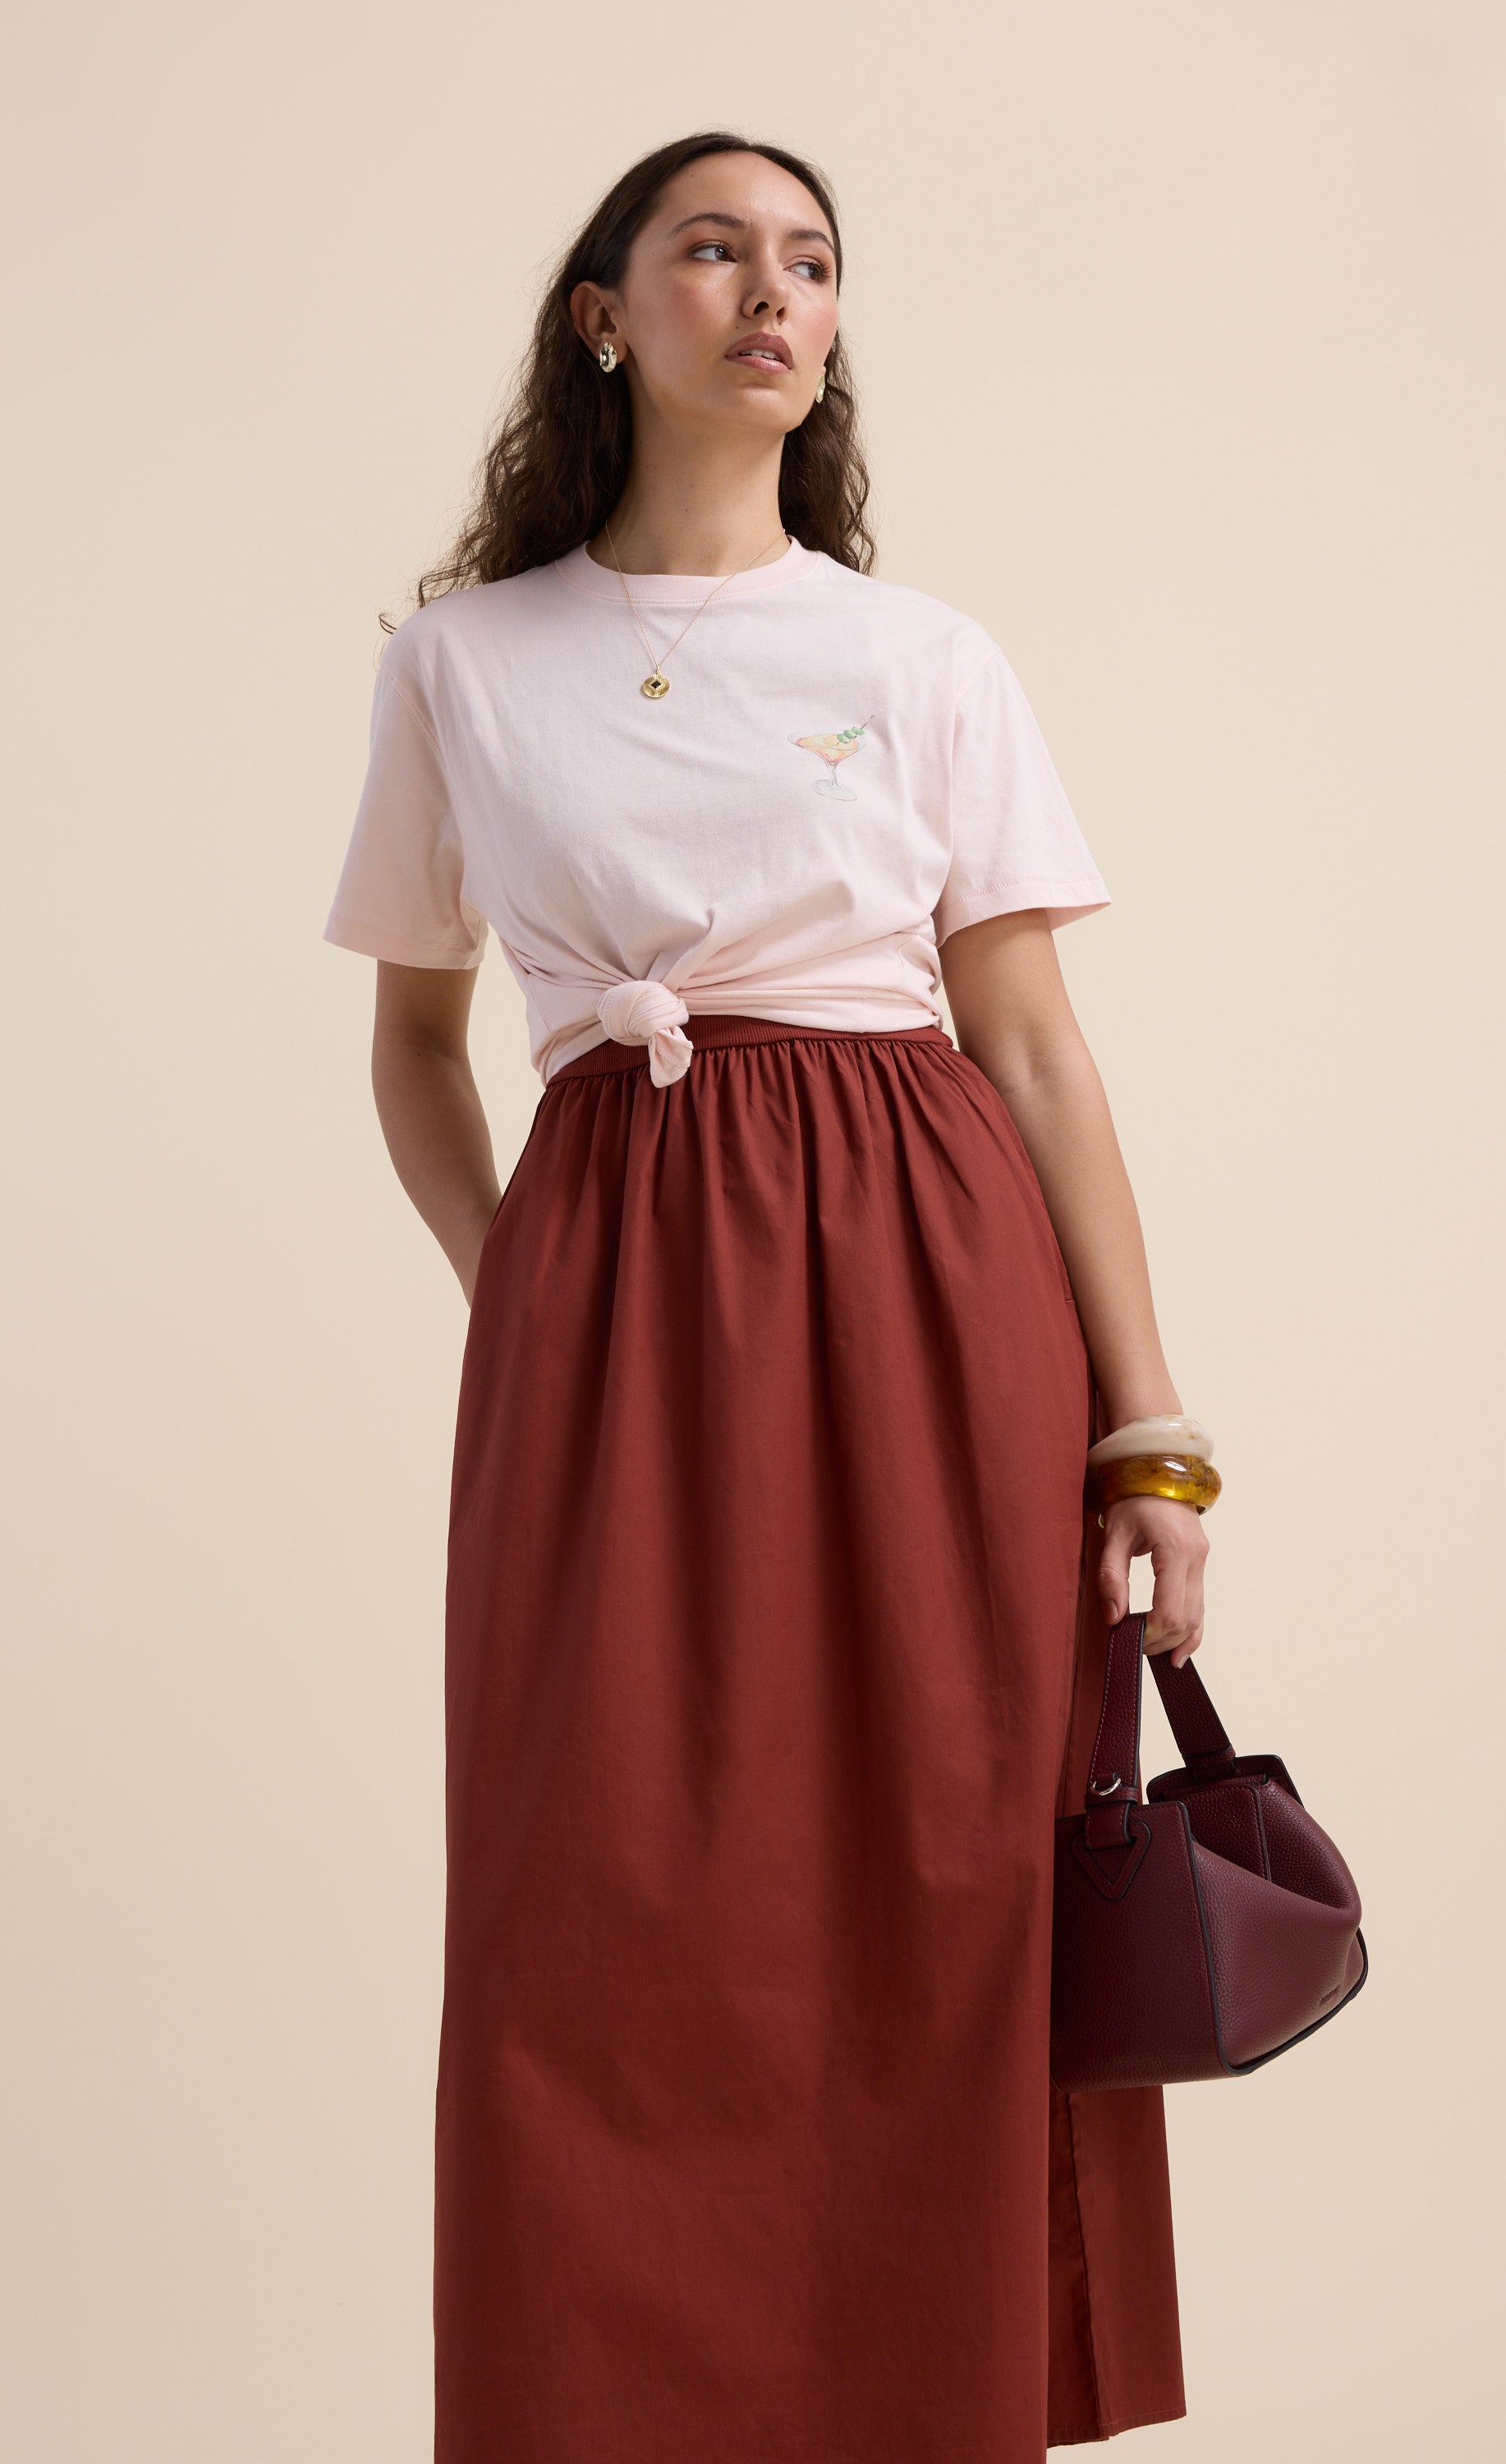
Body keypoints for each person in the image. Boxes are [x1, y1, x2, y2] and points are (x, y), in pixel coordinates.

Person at [324, 127, 1211, 2463]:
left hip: (927, 1280)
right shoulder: (461, 665)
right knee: (590, 1899)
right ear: (604, 312)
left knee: (937, 1880)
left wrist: (1151, 1433)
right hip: (604, 1290)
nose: (771, 293)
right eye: (710, 248)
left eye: (811, 259)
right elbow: (418, 1045)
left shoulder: (917, 657)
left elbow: (1026, 1038)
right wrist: (513, 1265)